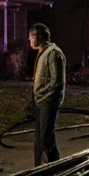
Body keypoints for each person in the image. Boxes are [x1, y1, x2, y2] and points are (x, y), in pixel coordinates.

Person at [30, 23, 66, 166]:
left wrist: (43, 95)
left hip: (48, 102)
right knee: (43, 139)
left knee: (45, 138)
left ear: (40, 36)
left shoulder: (53, 53)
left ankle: (49, 169)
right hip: (41, 101)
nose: (30, 40)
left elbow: (57, 82)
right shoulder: (42, 52)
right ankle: (46, 169)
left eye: (32, 37)